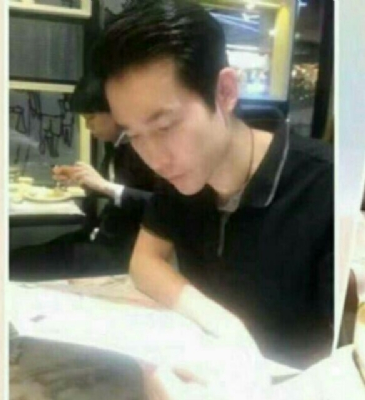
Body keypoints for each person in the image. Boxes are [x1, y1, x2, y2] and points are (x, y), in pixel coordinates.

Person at [97, 0, 333, 373]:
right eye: (134, 135)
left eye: (164, 126)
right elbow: (144, 262)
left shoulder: (327, 187)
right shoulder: (180, 174)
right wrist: (221, 322)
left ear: (224, 91)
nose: (154, 158)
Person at [10, 75, 158, 280]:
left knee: (15, 265)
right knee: (14, 258)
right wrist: (83, 180)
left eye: (91, 118)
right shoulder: (116, 145)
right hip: (98, 237)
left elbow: (163, 206)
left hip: (122, 253)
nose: (88, 127)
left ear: (116, 111)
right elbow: (116, 190)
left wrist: (104, 186)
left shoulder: (147, 149)